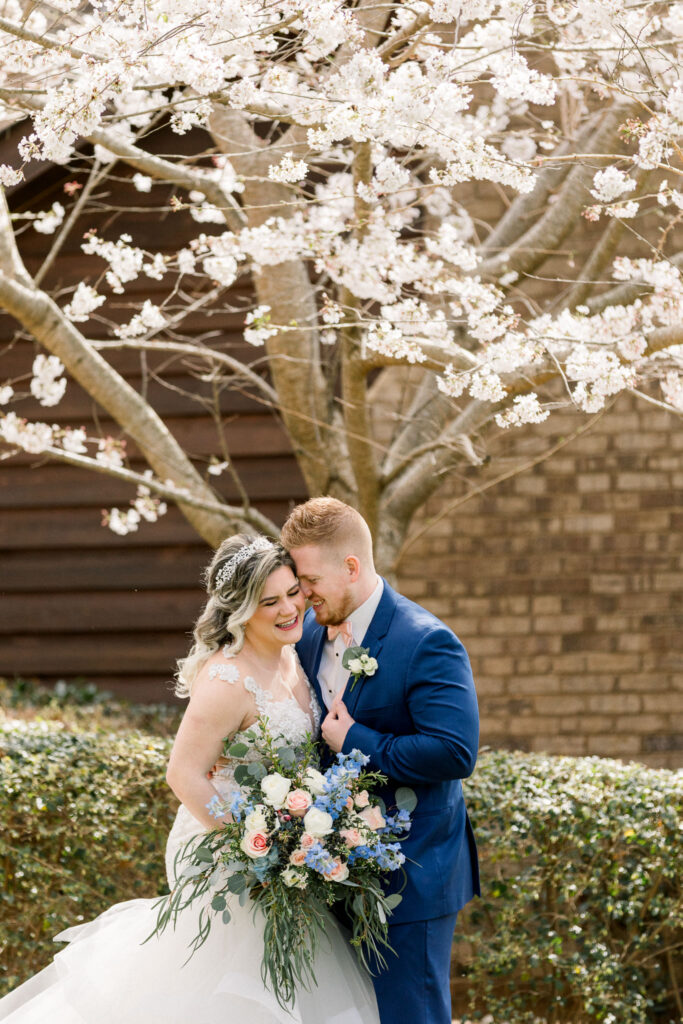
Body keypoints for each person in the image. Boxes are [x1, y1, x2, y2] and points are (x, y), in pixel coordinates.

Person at [0, 535, 379, 1024]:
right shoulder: (226, 680)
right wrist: (259, 844)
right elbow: (182, 774)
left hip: (284, 844)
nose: (289, 608)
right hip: (228, 850)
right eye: (270, 602)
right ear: (240, 611)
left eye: (293, 592)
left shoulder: (294, 656)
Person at [281, 498, 480, 1024]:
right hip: (327, 872)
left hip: (412, 875)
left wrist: (357, 740)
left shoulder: (427, 641)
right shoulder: (301, 636)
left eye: (309, 579)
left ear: (351, 566)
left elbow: (455, 751)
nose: (302, 595)